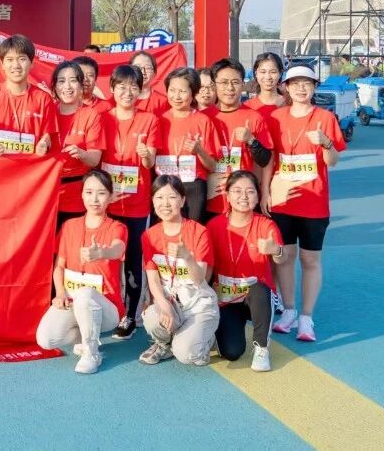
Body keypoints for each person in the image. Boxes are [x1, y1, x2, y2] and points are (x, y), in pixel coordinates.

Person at [267, 64, 345, 342]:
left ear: (314, 87)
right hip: (283, 201)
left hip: (313, 202)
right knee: (285, 256)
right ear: (286, 88)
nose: (302, 88)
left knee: (310, 259)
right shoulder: (275, 118)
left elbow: (332, 162)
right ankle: (288, 310)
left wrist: (326, 144)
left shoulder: (325, 118)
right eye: (296, 83)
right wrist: (266, 193)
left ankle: (306, 317)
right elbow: (270, 160)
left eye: (307, 83)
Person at [35, 170, 128, 374]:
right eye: (89, 192)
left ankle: (91, 353)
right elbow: (59, 267)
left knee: (85, 294)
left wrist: (101, 252)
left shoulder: (118, 227)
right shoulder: (69, 226)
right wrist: (60, 293)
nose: (94, 199)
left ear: (111, 197)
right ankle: (85, 336)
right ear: (82, 195)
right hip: (72, 301)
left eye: (101, 193)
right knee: (46, 339)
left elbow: (118, 249)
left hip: (107, 308)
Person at [99, 64, 161, 339]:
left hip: (137, 204)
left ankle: (130, 315)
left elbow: (150, 162)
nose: (127, 92)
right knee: (108, 259)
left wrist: (146, 155)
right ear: (112, 89)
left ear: (140, 90)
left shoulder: (150, 120)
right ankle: (109, 310)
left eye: (133, 87)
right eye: (121, 86)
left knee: (134, 261)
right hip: (108, 204)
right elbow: (96, 159)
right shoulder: (102, 118)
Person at [139, 174, 220, 366]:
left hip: (198, 305)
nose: (165, 203)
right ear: (153, 201)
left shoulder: (199, 232)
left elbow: (200, 279)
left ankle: (206, 340)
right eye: (159, 197)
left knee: (186, 355)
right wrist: (163, 305)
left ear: (183, 200)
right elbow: (153, 278)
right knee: (151, 318)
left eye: (172, 197)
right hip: (172, 303)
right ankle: (164, 343)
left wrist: (187, 257)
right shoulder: (149, 235)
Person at [208, 170, 284, 372]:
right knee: (231, 352)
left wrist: (275, 250)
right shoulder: (214, 226)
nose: (244, 196)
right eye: (237, 191)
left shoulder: (266, 225)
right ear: (227, 195)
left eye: (250, 191)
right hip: (227, 299)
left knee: (260, 289)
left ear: (258, 197)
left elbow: (281, 259)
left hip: (255, 297)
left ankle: (261, 348)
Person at [206, 58, 273, 222]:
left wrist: (251, 140)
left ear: (243, 85)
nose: (230, 88)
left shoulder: (254, 117)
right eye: (224, 82)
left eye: (235, 82)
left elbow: (265, 160)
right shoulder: (202, 117)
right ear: (214, 85)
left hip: (244, 201)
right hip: (210, 198)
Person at [0, 34, 58, 157]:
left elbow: (47, 138)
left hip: (30, 166)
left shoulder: (43, 98)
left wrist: (44, 145)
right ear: (2, 64)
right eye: (10, 59)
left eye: (22, 59)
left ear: (32, 63)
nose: (16, 65)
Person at [156, 67, 221, 223]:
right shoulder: (159, 120)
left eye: (182, 91)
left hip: (193, 186)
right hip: (164, 186)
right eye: (172, 90)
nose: (176, 96)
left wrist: (199, 150)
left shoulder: (203, 121)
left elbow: (213, 166)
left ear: (193, 93)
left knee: (192, 229)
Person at [53, 62, 106, 226]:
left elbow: (95, 159)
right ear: (54, 86)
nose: (67, 87)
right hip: (46, 190)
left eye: (73, 81)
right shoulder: (47, 110)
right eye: (61, 81)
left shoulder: (91, 115)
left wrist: (82, 154)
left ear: (81, 86)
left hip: (75, 193)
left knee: (70, 238)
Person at [245, 53, 287, 120]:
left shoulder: (290, 104)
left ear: (280, 73)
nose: (268, 77)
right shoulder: (247, 107)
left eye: (273, 72)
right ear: (256, 73)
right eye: (263, 72)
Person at [130, 51, 169, 115]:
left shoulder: (163, 101)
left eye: (148, 68)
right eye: (138, 67)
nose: (143, 72)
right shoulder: (119, 98)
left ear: (154, 74)